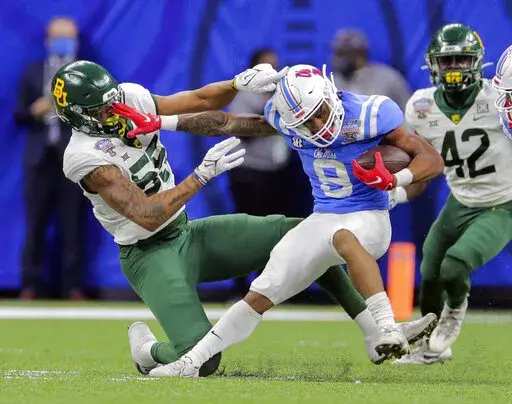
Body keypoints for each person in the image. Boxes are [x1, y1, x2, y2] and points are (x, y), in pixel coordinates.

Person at [52, 60, 437, 377]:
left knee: (308, 237)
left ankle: (375, 333)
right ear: (79, 117)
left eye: (114, 101)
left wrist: (236, 83)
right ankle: (148, 351)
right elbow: (147, 215)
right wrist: (201, 175)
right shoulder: (83, 156)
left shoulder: (129, 97)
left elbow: (201, 100)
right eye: (102, 110)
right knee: (204, 361)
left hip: (187, 233)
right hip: (148, 253)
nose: (115, 110)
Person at [391, 24, 512, 365]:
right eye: (447, 61)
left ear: (478, 62)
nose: (455, 67)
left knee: (455, 266)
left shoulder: (498, 99)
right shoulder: (420, 106)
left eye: (462, 59)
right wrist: (396, 192)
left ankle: (455, 310)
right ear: (433, 64)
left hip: (503, 202)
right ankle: (429, 347)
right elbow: (423, 168)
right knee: (430, 269)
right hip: (460, 199)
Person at [14, 16, 87, 300]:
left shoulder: (85, 73)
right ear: (48, 40)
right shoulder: (33, 71)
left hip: (73, 156)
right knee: (35, 223)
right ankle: (30, 285)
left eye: (69, 37)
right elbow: (19, 114)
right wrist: (35, 110)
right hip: (39, 157)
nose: (63, 42)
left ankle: (73, 286)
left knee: (73, 223)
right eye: (59, 37)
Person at [227, 48, 309, 297]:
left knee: (274, 231)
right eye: (266, 67)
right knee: (246, 230)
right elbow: (240, 129)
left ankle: (268, 287)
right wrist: (269, 116)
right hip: (249, 172)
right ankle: (240, 286)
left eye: (275, 66)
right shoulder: (244, 96)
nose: (272, 72)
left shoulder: (283, 96)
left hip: (277, 173)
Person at [331, 29, 411, 111]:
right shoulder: (332, 84)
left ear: (360, 54)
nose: (337, 59)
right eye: (336, 53)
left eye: (342, 53)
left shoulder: (387, 78)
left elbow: (408, 110)